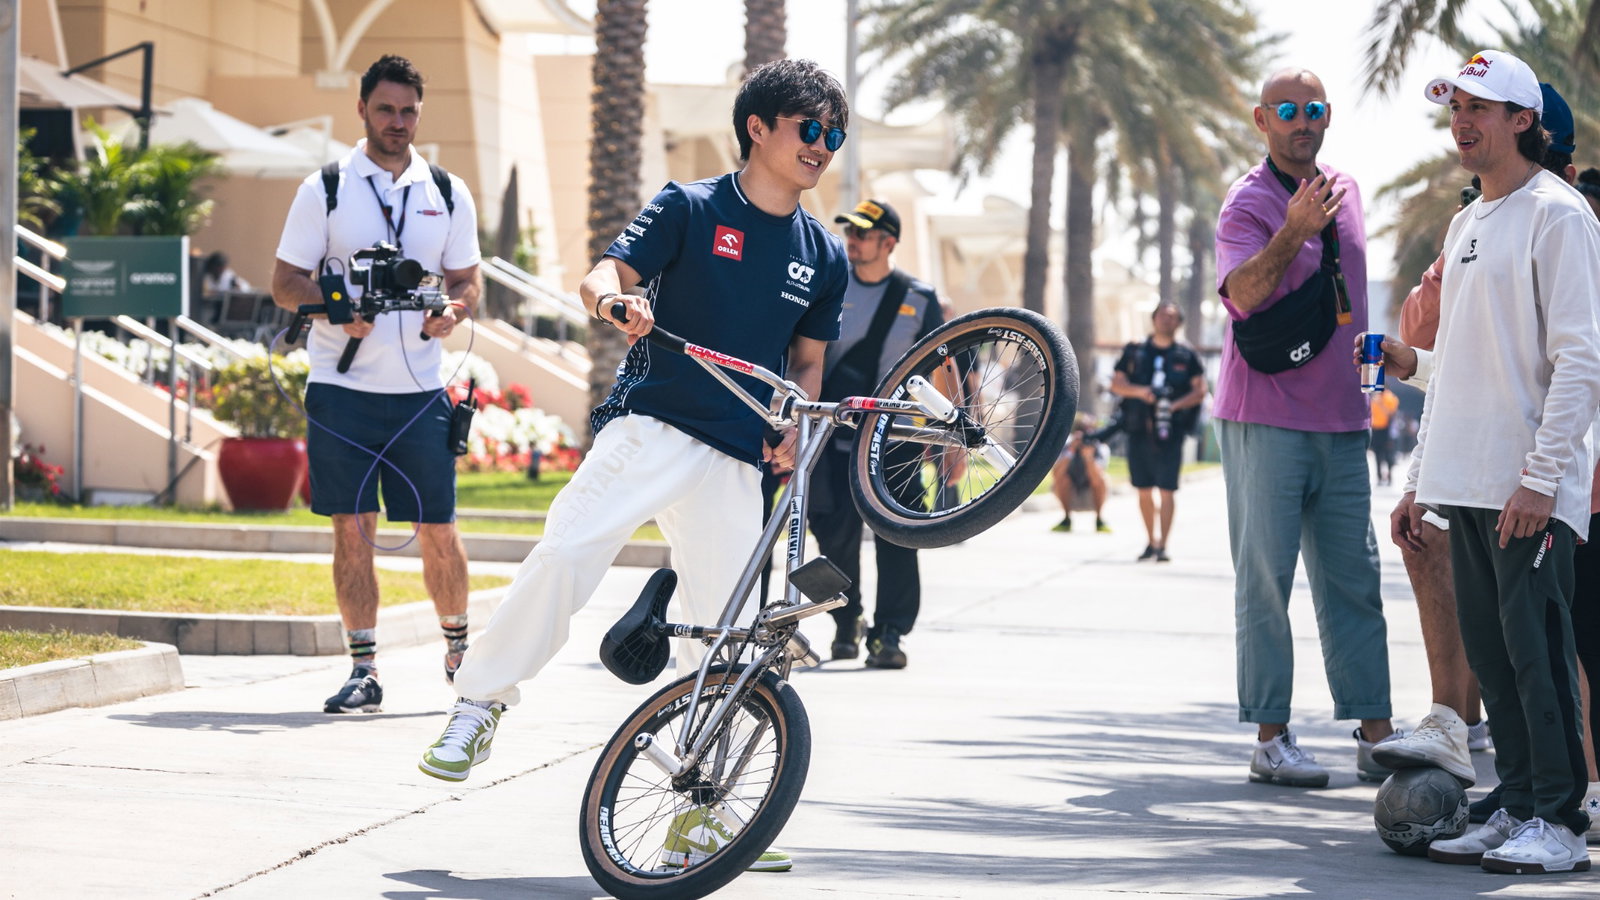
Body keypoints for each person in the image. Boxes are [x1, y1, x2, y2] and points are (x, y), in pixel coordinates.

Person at [418, 59, 850, 874]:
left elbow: (809, 364)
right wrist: (616, 301)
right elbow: (600, 275)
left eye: (834, 135)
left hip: (736, 457)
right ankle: (478, 703)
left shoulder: (822, 255)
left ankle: (706, 810)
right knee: (568, 550)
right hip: (651, 425)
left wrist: (796, 422)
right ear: (758, 128)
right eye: (810, 130)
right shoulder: (689, 207)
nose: (823, 147)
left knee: (725, 633)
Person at [1391, 50, 1599, 874]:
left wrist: (1543, 478)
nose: (1463, 122)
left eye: (1481, 107)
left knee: (1540, 653)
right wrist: (1418, 480)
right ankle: (1517, 804)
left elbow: (1580, 359)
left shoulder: (1563, 215)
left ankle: (1560, 820)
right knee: (1493, 654)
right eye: (1454, 108)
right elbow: (1463, 362)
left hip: (1527, 488)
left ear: (1523, 121)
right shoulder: (1467, 221)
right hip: (1464, 481)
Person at [270, 55, 480, 713]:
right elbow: (284, 281)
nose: (398, 121)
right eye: (386, 109)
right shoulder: (324, 188)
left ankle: (460, 656)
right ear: (362, 109)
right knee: (351, 530)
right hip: (341, 390)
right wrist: (335, 309)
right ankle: (364, 668)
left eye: (409, 110)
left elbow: (467, 279)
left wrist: (452, 310)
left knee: (438, 529)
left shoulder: (446, 190)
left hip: (421, 391)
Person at [1212, 67, 1397, 788]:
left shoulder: (1347, 190)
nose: (1302, 121)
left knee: (1355, 578)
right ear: (1262, 120)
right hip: (1265, 418)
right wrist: (1293, 232)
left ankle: (1375, 732)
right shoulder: (1248, 203)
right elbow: (1242, 296)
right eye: (1287, 109)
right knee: (1266, 580)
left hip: (1344, 419)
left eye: (1314, 108)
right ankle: (1270, 736)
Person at [810, 198, 944, 669]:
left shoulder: (920, 299)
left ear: (889, 242)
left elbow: (940, 369)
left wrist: (949, 435)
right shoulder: (830, 285)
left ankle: (889, 634)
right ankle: (846, 621)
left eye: (863, 233)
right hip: (834, 436)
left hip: (900, 439)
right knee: (830, 536)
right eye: (850, 231)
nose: (852, 240)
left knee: (899, 539)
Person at [1108, 303, 1206, 561]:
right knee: (1143, 488)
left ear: (1179, 322)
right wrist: (1142, 392)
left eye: (1172, 317)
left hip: (1171, 432)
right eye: (1163, 315)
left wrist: (1173, 405)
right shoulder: (1135, 350)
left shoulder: (1186, 354)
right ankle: (1150, 541)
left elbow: (1200, 391)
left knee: (1167, 490)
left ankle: (1164, 545)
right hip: (1138, 428)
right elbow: (1116, 384)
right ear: (1153, 319)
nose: (1167, 320)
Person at [1050, 412, 1110, 534]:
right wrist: (1071, 451)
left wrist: (1088, 457)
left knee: (1103, 479)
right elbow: (1055, 474)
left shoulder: (1100, 447)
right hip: (1071, 495)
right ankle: (1066, 519)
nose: (1084, 436)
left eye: (1087, 431)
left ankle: (1099, 519)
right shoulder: (1066, 445)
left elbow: (1097, 479)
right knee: (1062, 478)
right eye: (1080, 430)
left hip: (1091, 497)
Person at [1368, 389, 1399, 486]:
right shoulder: (1374, 398)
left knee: (1388, 454)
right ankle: (1379, 477)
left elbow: (1391, 414)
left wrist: (1380, 403)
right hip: (1376, 429)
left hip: (1386, 430)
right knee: (1377, 455)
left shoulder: (1390, 397)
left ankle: (1389, 476)